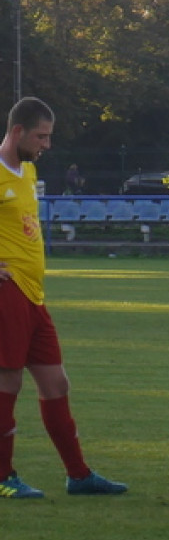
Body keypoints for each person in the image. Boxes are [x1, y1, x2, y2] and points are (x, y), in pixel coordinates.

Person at [0, 97, 127, 499]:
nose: (46, 144)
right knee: (8, 382)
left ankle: (78, 475)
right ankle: (2, 476)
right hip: (8, 293)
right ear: (18, 131)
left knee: (56, 384)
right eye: (41, 136)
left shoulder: (27, 171)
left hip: (34, 296)